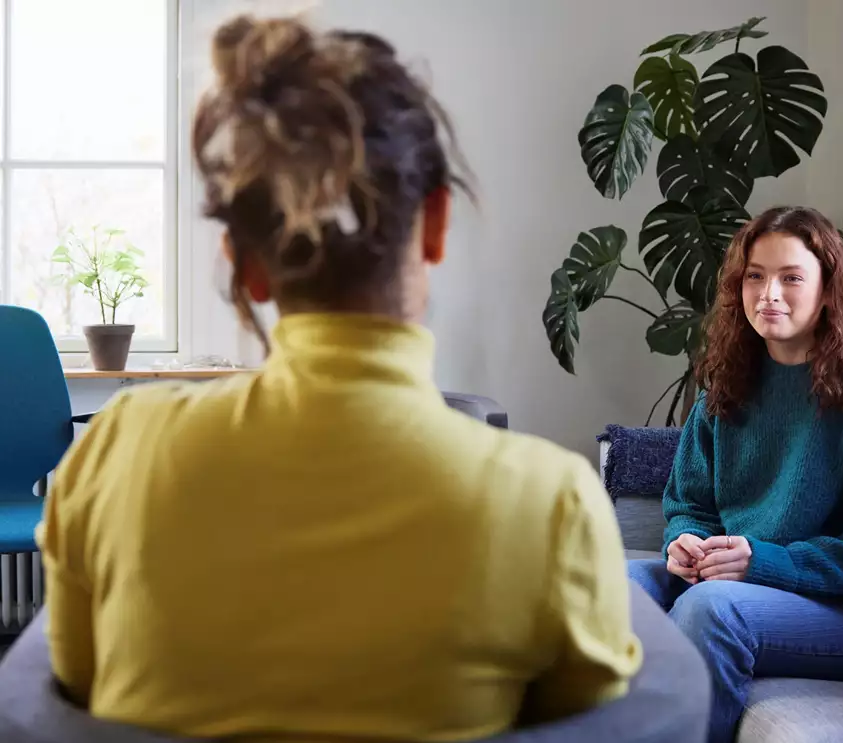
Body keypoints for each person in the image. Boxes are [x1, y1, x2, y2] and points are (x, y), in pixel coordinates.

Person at [36, 15, 644, 741]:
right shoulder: (552, 505)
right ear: (436, 224)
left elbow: (71, 692)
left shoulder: (114, 456)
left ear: (245, 265)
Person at [628, 206, 843, 743]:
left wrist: (765, 562)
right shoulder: (729, 380)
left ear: (828, 289)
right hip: (736, 584)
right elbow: (690, 503)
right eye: (755, 276)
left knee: (709, 611)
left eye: (791, 277)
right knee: (608, 587)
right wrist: (688, 543)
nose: (768, 294)